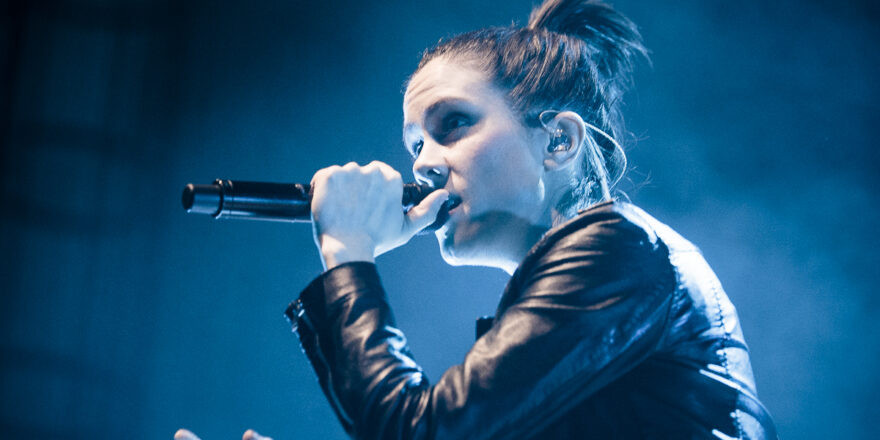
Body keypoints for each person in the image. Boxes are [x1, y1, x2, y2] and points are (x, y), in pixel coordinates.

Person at [180, 0, 776, 438]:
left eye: (453, 125)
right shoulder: (585, 280)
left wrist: (348, 254)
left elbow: (422, 433)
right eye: (415, 146)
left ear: (559, 143)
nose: (426, 164)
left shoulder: (618, 250)